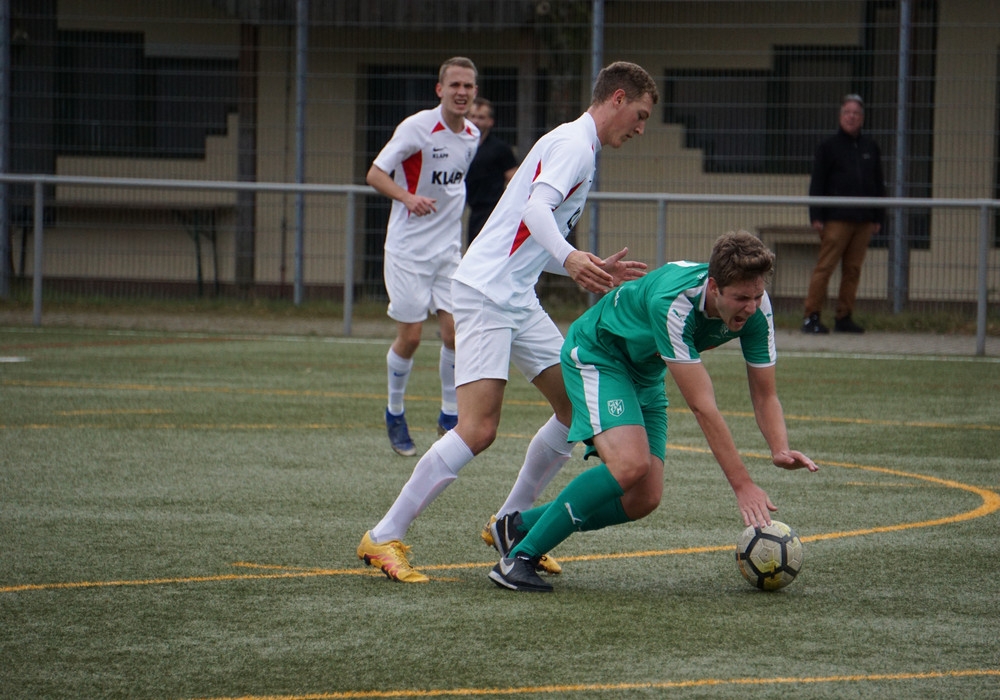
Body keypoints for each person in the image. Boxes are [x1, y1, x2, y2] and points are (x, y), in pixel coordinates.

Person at [357, 61, 659, 583]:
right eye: (640, 114)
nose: (640, 127)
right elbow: (538, 213)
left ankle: (508, 524)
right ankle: (383, 536)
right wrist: (569, 258)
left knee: (574, 408)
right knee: (478, 429)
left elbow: (527, 234)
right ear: (616, 98)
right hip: (486, 293)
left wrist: (580, 259)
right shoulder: (572, 145)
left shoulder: (578, 146)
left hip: (513, 294)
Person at [487, 230, 820, 592]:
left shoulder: (758, 309)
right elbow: (702, 405)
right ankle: (518, 560)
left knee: (644, 498)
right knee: (629, 464)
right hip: (599, 355)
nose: (751, 307)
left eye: (757, 296)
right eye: (741, 298)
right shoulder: (675, 303)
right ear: (713, 288)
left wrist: (779, 447)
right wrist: (742, 484)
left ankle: (516, 527)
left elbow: (765, 394)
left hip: (645, 372)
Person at [365, 57, 480, 456]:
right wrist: (408, 198)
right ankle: (395, 411)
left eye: (468, 86)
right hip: (408, 252)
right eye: (455, 86)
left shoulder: (471, 136)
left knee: (454, 334)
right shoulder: (417, 128)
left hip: (448, 252)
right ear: (440, 90)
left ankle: (450, 416)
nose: (462, 92)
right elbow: (376, 173)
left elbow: (454, 189)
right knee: (411, 337)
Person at [802, 94, 886, 335]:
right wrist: (815, 215)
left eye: (856, 113)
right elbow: (817, 181)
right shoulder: (828, 147)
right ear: (841, 116)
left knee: (853, 270)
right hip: (835, 219)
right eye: (847, 112)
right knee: (825, 267)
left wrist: (878, 217)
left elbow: (878, 183)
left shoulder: (871, 147)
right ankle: (812, 316)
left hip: (863, 221)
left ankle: (844, 316)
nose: (852, 117)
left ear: (862, 118)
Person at [465, 97, 518, 245]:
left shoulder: (500, 149)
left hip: (493, 212)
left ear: (490, 121)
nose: (476, 121)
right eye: (472, 116)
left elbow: (515, 179)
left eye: (481, 117)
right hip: (471, 210)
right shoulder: (461, 146)